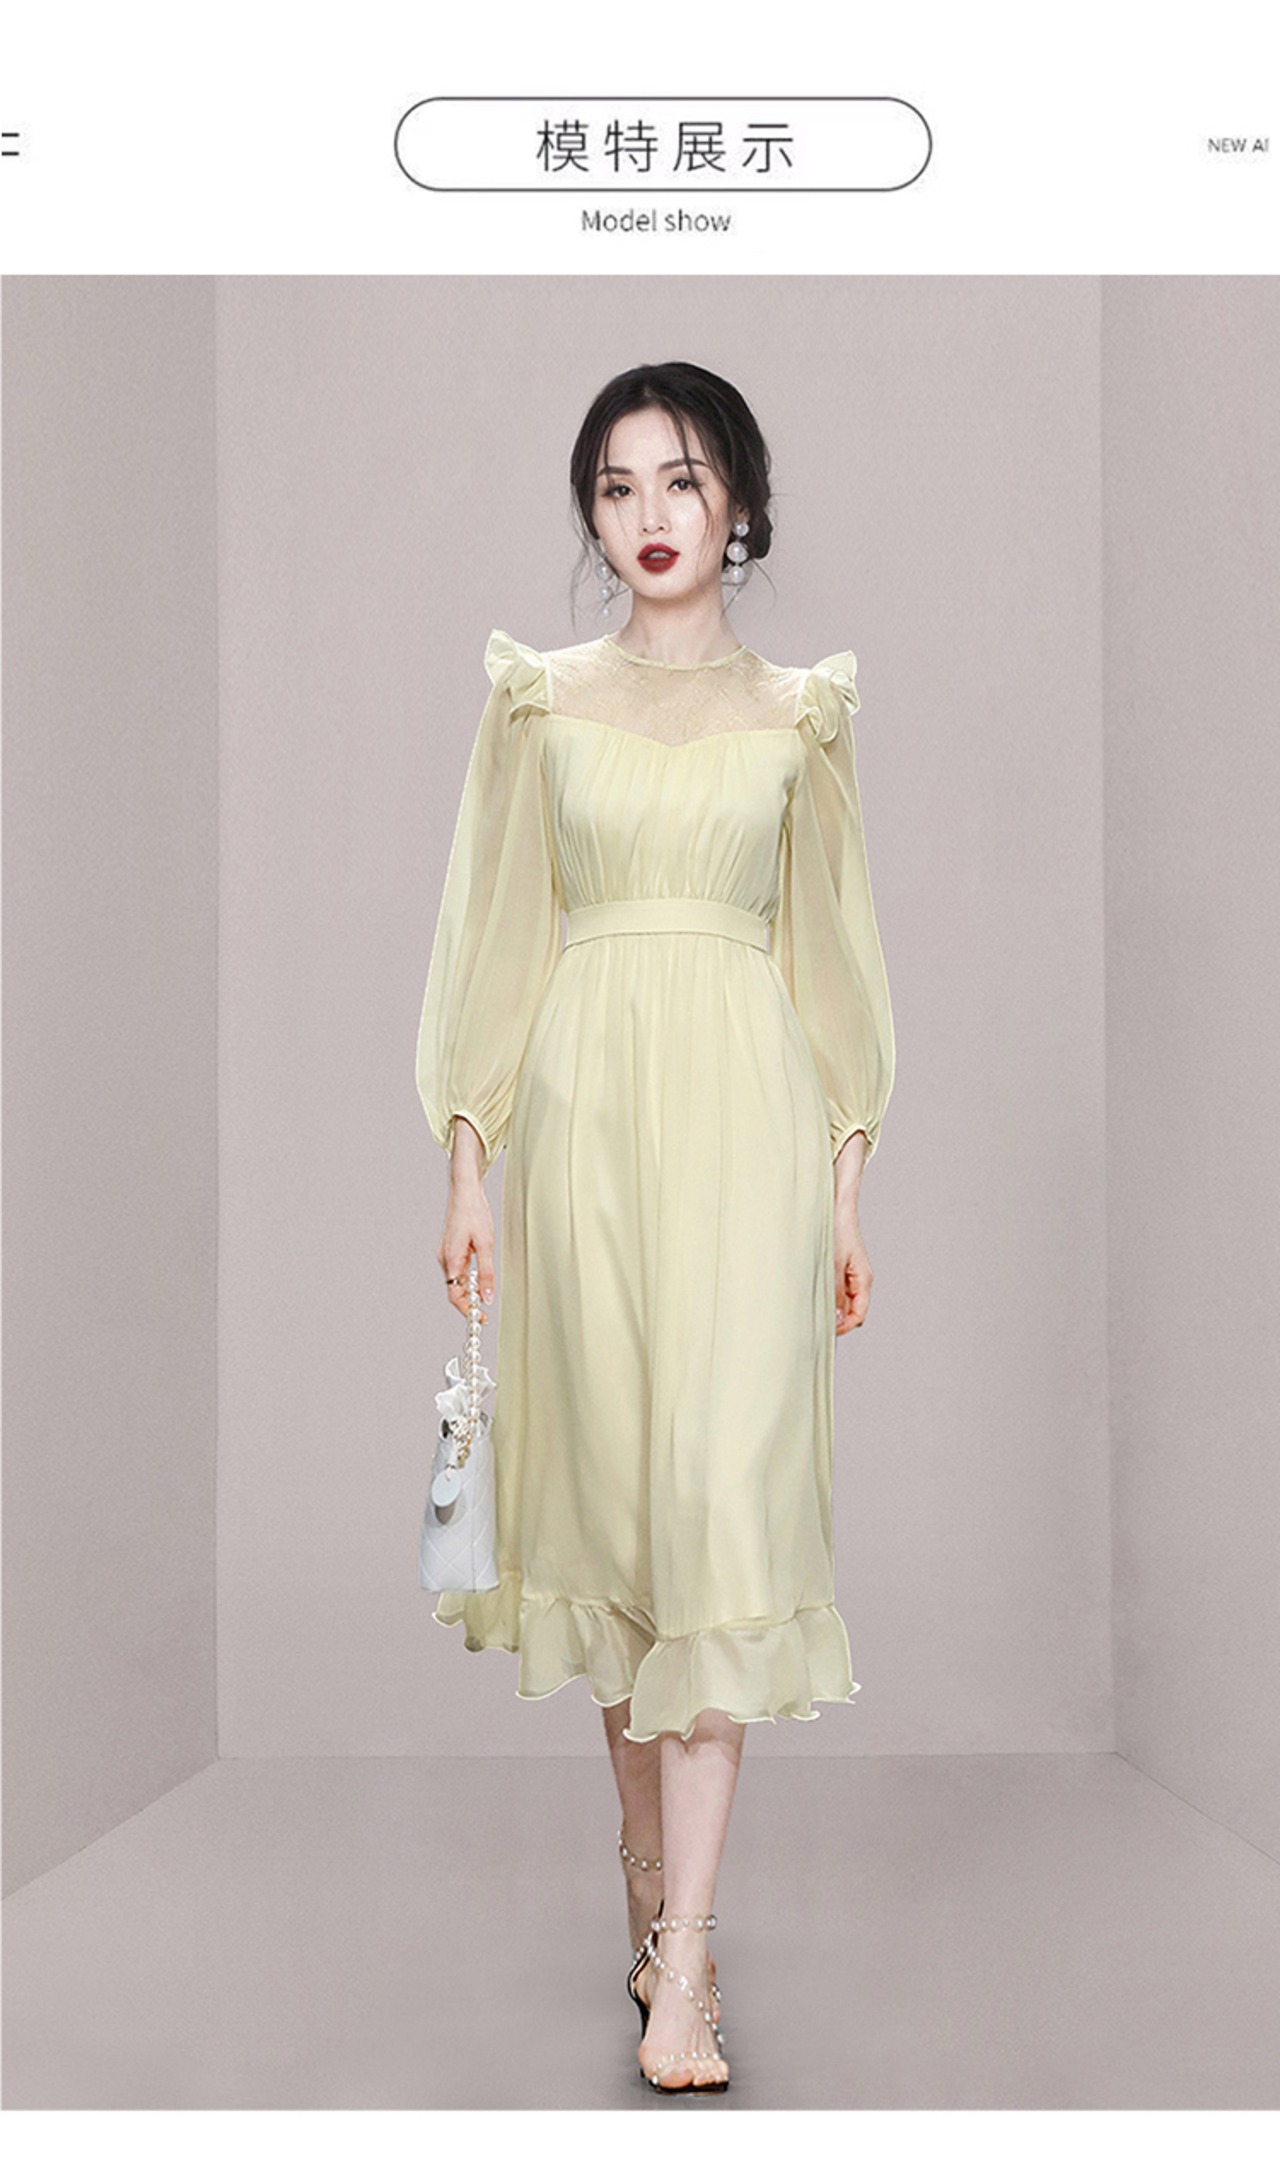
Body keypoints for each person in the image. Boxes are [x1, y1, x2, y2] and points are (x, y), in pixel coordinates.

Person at [415, 360, 895, 2095]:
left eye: (681, 479)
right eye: (617, 487)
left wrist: (845, 1188)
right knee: (626, 1535)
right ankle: (649, 1883)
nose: (650, 515)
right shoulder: (539, 702)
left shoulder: (798, 716)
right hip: (585, 1144)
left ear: (739, 502)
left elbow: (834, 960)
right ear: (593, 515)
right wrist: (468, 1160)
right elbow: (493, 936)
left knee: (717, 1515)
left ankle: (683, 1958)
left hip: (750, 1136)